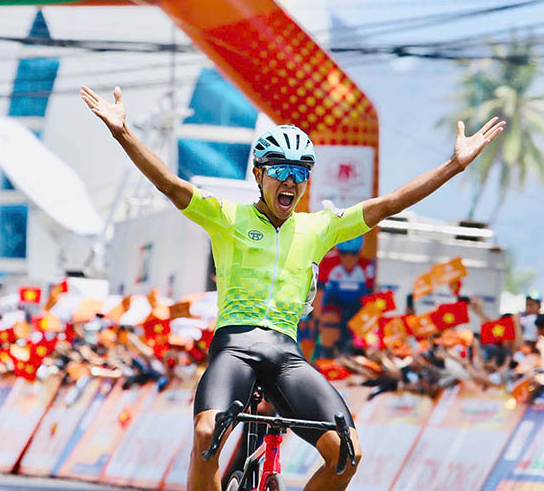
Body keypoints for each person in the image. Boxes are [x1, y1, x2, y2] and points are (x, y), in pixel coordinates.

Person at [81, 84, 503, 491]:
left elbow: (389, 203)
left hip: (286, 354)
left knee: (348, 454)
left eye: (300, 173)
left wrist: (453, 166)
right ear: (258, 174)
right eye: (281, 170)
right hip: (235, 347)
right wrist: (123, 133)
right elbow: (170, 185)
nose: (290, 181)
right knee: (207, 433)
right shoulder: (227, 217)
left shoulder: (319, 227)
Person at [318, 236, 375, 352]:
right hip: (334, 302)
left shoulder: (366, 266)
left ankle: (356, 350)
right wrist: (317, 319)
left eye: (353, 254)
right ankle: (327, 352)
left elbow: (370, 298)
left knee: (361, 321)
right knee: (329, 318)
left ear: (359, 253)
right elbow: (319, 294)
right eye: (344, 254)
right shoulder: (328, 262)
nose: (348, 259)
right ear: (338, 252)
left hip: (356, 304)